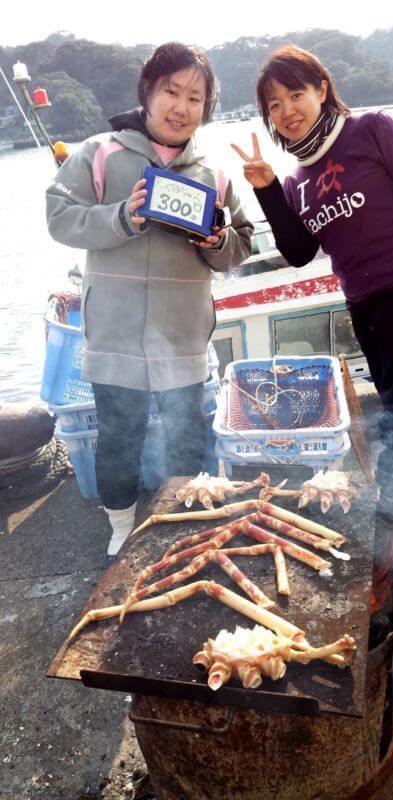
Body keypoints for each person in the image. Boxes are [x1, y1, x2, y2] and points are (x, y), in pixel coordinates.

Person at [46, 42, 253, 555]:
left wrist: (218, 241)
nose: (182, 107)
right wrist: (122, 217)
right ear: (147, 92)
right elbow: (58, 215)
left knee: (186, 435)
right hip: (114, 338)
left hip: (182, 340)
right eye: (172, 91)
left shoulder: (215, 173)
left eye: (196, 97)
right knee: (118, 436)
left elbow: (241, 245)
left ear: (207, 108)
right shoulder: (102, 153)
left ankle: (186, 521)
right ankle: (121, 525)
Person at [232, 45, 393, 519]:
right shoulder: (296, 181)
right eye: (274, 104)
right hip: (366, 308)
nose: (286, 111)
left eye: (295, 94)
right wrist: (267, 188)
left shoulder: (373, 129)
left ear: (322, 89)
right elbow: (298, 251)